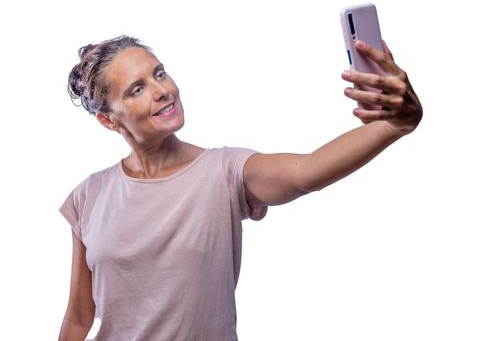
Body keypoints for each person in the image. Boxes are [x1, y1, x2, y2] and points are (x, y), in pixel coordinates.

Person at [58, 35, 422, 341]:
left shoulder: (224, 171)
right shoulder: (89, 196)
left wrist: (394, 127)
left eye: (160, 74)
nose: (163, 91)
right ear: (108, 119)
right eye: (138, 89)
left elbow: (305, 172)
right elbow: (78, 316)